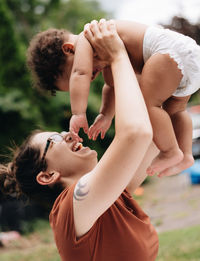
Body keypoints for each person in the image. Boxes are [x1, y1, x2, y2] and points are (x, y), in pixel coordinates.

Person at [1, 20, 159, 260]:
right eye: (53, 139)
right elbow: (137, 133)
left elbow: (153, 134)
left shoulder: (108, 197)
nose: (66, 134)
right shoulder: (71, 208)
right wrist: (116, 55)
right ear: (47, 176)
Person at [27, 19, 200, 178]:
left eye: (86, 76)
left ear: (69, 49)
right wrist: (105, 115)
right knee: (176, 111)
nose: (91, 77)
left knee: (147, 106)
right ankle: (185, 155)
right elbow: (111, 87)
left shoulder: (86, 38)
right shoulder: (104, 52)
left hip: (168, 53)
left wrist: (78, 113)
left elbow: (81, 73)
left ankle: (170, 151)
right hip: (188, 57)